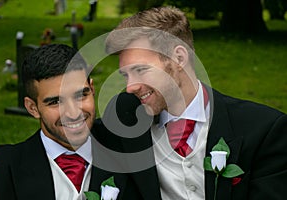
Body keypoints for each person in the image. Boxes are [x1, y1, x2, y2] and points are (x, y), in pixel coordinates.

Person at [103, 6, 287, 200]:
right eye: (126, 75)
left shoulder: (264, 130)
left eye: (140, 70)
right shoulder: (127, 129)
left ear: (179, 58)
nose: (130, 87)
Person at [0, 44, 138, 200]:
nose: (73, 113)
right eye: (55, 102)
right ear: (32, 108)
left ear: (92, 89)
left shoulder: (127, 147)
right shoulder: (1, 170)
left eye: (81, 95)